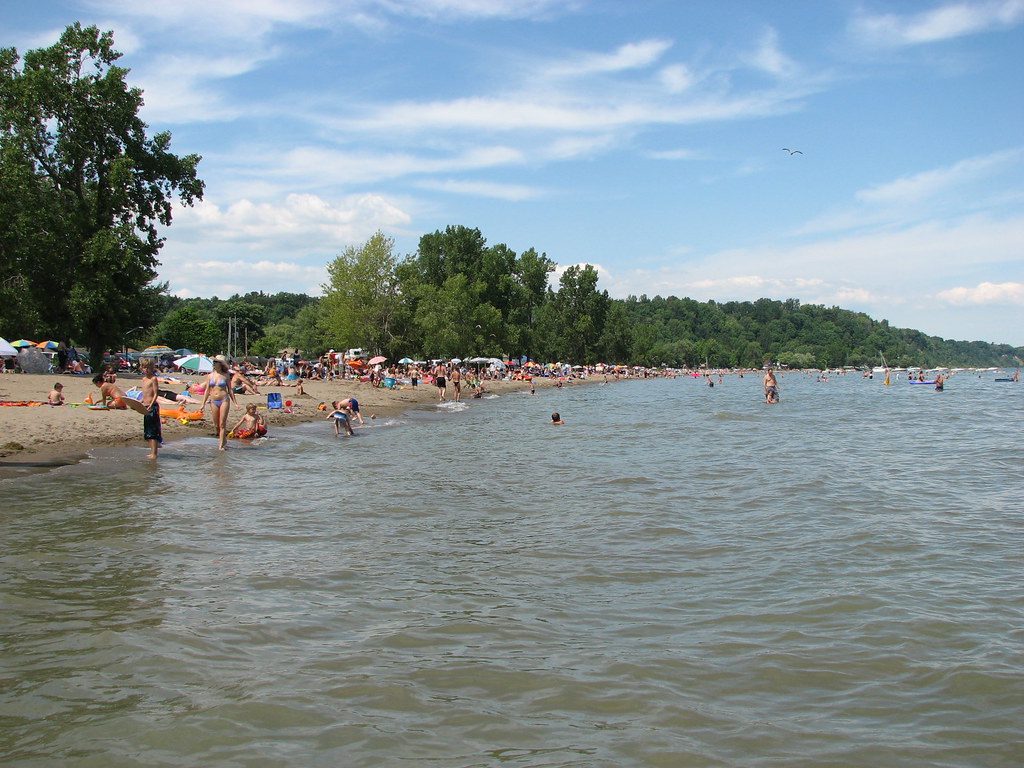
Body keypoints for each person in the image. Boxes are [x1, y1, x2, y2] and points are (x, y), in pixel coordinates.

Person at [200, 357, 239, 450]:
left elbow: (230, 390)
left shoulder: (226, 375)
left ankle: (221, 446)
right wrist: (203, 404)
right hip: (213, 400)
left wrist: (235, 403)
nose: (214, 363)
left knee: (222, 424)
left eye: (216, 362)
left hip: (224, 399)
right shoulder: (210, 376)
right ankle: (224, 440)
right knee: (216, 425)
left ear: (220, 364)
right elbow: (207, 390)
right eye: (214, 362)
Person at [140, 359, 162, 459]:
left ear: (152, 368)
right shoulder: (144, 379)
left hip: (152, 407)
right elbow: (145, 394)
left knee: (152, 432)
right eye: (145, 368)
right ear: (142, 368)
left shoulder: (153, 379)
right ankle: (153, 450)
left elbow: (155, 394)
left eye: (149, 368)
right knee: (147, 431)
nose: (147, 370)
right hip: (145, 407)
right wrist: (140, 402)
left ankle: (154, 454)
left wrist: (151, 404)